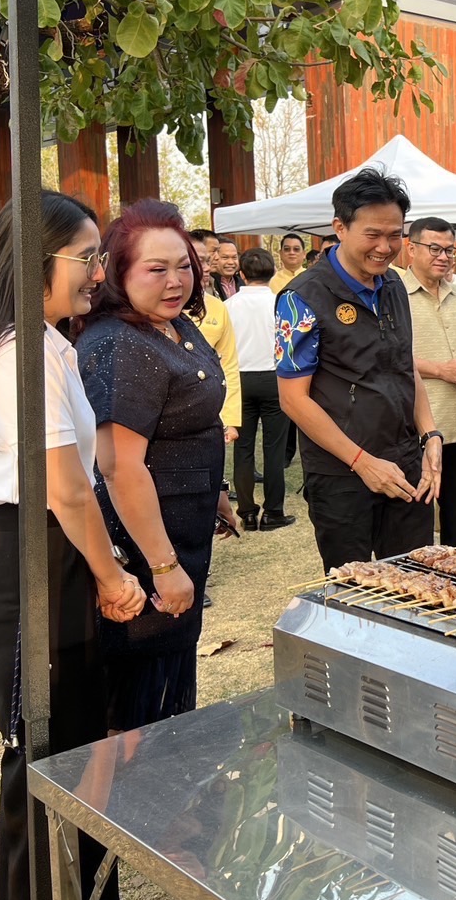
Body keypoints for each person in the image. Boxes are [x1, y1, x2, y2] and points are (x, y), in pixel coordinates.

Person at [0, 190, 145, 900]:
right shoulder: (18, 350)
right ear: (34, 262)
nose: (98, 273)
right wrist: (113, 579)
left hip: (36, 564)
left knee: (65, 757)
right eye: (86, 258)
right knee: (48, 762)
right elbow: (67, 490)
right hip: (21, 571)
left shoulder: (40, 341)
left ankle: (74, 893)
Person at [76, 200, 235, 730]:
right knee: (138, 703)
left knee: (169, 685)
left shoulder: (170, 326)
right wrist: (164, 569)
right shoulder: (121, 341)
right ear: (119, 274)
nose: (175, 281)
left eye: (184, 265)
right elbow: (120, 467)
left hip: (182, 525)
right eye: (156, 269)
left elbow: (191, 424)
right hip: (144, 543)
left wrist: (216, 490)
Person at [275, 169, 442, 571]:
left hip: (404, 464)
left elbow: (406, 367)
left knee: (417, 584)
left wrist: (430, 434)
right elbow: (293, 400)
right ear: (340, 228)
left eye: (395, 235)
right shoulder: (301, 298)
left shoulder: (395, 286)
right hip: (342, 474)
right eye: (373, 235)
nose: (385, 247)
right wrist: (362, 462)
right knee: (353, 594)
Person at [403, 217, 456, 548]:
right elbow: (391, 358)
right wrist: (442, 370)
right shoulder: (395, 296)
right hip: (417, 428)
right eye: (434, 249)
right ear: (411, 249)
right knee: (416, 521)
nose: (443, 256)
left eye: (449, 250)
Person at [225, 247, 294, 531]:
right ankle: (273, 511)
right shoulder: (280, 302)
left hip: (239, 378)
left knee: (243, 447)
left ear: (241, 274)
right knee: (274, 448)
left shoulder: (229, 304)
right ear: (273, 272)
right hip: (273, 376)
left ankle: (247, 511)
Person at [187, 230, 243, 507]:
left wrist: (230, 418)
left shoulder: (217, 308)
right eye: (199, 260)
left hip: (211, 420)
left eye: (209, 260)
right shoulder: (154, 309)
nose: (206, 267)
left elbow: (229, 365)